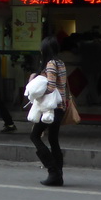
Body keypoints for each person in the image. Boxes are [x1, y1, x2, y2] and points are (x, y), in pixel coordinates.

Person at [29, 36, 67, 187]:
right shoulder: (60, 62)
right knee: (53, 140)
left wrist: (36, 91)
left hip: (50, 108)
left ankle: (53, 171)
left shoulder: (50, 64)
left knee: (34, 136)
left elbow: (50, 86)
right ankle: (58, 174)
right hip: (60, 106)